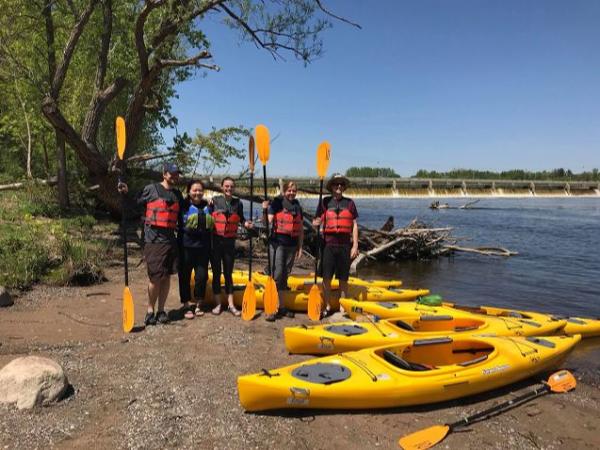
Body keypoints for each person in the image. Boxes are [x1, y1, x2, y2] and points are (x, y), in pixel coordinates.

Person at [117, 163, 184, 325]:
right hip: (153, 240)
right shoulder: (150, 189)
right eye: (172, 173)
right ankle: (150, 311)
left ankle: (161, 310)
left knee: (167, 276)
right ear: (164, 173)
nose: (175, 176)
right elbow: (134, 203)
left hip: (170, 240)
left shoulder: (177, 194)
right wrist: (125, 194)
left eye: (177, 174)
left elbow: (183, 214)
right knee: (155, 277)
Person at [312, 173, 359, 317]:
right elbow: (316, 221)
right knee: (326, 278)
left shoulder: (350, 203)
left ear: (344, 187)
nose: (339, 186)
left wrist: (355, 245)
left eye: (341, 184)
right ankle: (326, 306)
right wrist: (316, 223)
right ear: (331, 187)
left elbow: (355, 225)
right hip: (328, 246)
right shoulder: (324, 202)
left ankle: (342, 307)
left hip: (345, 246)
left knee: (343, 279)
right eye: (336, 184)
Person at [210, 177, 253, 316]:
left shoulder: (237, 203)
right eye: (226, 186)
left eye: (231, 186)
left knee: (228, 274)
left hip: (229, 243)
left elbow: (241, 219)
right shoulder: (215, 201)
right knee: (216, 273)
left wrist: (247, 224)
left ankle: (231, 304)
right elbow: (206, 215)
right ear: (222, 187)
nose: (229, 189)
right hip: (215, 243)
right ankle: (217, 304)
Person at [262, 181, 303, 321]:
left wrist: (300, 247)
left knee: (285, 275)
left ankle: (282, 306)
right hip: (277, 244)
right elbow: (267, 222)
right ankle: (271, 307)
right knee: (277, 274)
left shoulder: (297, 206)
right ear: (284, 191)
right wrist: (265, 210)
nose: (291, 193)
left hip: (292, 245)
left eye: (294, 190)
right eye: (289, 190)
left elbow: (301, 229)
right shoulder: (277, 203)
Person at [178, 180, 213, 319]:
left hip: (203, 248)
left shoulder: (208, 206)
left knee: (201, 277)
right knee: (184, 276)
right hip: (185, 246)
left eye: (200, 190)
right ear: (189, 192)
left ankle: (199, 304)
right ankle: (186, 304)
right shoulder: (182, 205)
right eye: (194, 190)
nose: (197, 193)